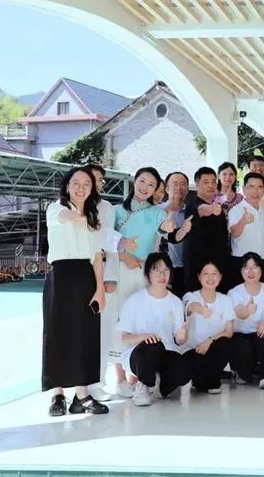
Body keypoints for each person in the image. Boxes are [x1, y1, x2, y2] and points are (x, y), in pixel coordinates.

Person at [43, 166, 108, 417]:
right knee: (57, 333)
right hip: (61, 275)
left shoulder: (93, 217)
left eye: (87, 184)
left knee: (85, 334)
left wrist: (100, 289)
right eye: (76, 183)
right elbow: (69, 218)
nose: (81, 188)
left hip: (87, 276)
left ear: (92, 189)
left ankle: (82, 395)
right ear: (67, 186)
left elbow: (97, 256)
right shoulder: (56, 208)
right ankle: (57, 394)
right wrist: (89, 222)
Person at [110, 167, 174, 398]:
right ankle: (119, 378)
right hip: (119, 270)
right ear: (134, 181)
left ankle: (136, 375)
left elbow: (165, 227)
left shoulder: (157, 212)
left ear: (156, 189)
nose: (145, 187)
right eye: (142, 181)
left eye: (151, 184)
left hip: (141, 272)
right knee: (118, 320)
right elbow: (105, 240)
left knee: (138, 321)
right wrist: (124, 254)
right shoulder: (116, 211)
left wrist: (169, 225)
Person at [117, 252, 192, 407]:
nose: (162, 275)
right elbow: (123, 338)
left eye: (166, 270)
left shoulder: (175, 302)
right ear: (147, 274)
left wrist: (182, 336)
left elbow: (179, 340)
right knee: (154, 346)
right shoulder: (134, 300)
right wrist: (144, 337)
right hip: (139, 355)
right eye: (156, 270)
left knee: (185, 366)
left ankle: (161, 389)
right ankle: (142, 386)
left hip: (165, 352)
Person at [85, 164, 128, 402]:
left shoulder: (106, 207)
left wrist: (110, 277)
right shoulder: (68, 206)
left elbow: (109, 241)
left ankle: (97, 382)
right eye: (92, 178)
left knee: (102, 330)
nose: (96, 183)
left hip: (101, 273)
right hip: (76, 273)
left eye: (100, 179)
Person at [229, 253, 264, 389]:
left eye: (255, 267)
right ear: (241, 271)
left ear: (261, 270)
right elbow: (239, 312)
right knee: (243, 350)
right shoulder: (234, 292)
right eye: (246, 267)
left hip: (260, 334)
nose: (250, 271)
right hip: (241, 336)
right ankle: (243, 372)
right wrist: (247, 310)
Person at [182, 262, 235, 394]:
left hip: (214, 348)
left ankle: (214, 380)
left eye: (214, 274)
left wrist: (210, 340)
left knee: (226, 344)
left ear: (220, 277)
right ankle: (203, 379)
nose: (210, 278)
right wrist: (202, 310)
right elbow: (191, 306)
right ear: (199, 277)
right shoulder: (190, 296)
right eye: (206, 274)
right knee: (200, 386)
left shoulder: (226, 300)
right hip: (194, 350)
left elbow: (229, 331)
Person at [184, 167, 231, 293]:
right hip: (198, 267)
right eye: (206, 182)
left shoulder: (218, 206)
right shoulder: (193, 205)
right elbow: (202, 209)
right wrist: (211, 209)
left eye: (213, 182)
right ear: (197, 183)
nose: (211, 185)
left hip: (219, 266)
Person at [228, 172, 264, 284]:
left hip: (262, 261)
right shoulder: (236, 210)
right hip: (242, 261)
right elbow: (234, 233)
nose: (255, 191)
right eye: (251, 187)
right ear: (244, 189)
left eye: (259, 187)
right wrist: (243, 221)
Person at [162, 171, 192, 298]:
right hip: (162, 268)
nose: (179, 187)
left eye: (183, 184)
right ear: (167, 188)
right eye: (174, 184)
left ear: (187, 190)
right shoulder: (158, 211)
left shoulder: (192, 212)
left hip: (186, 269)